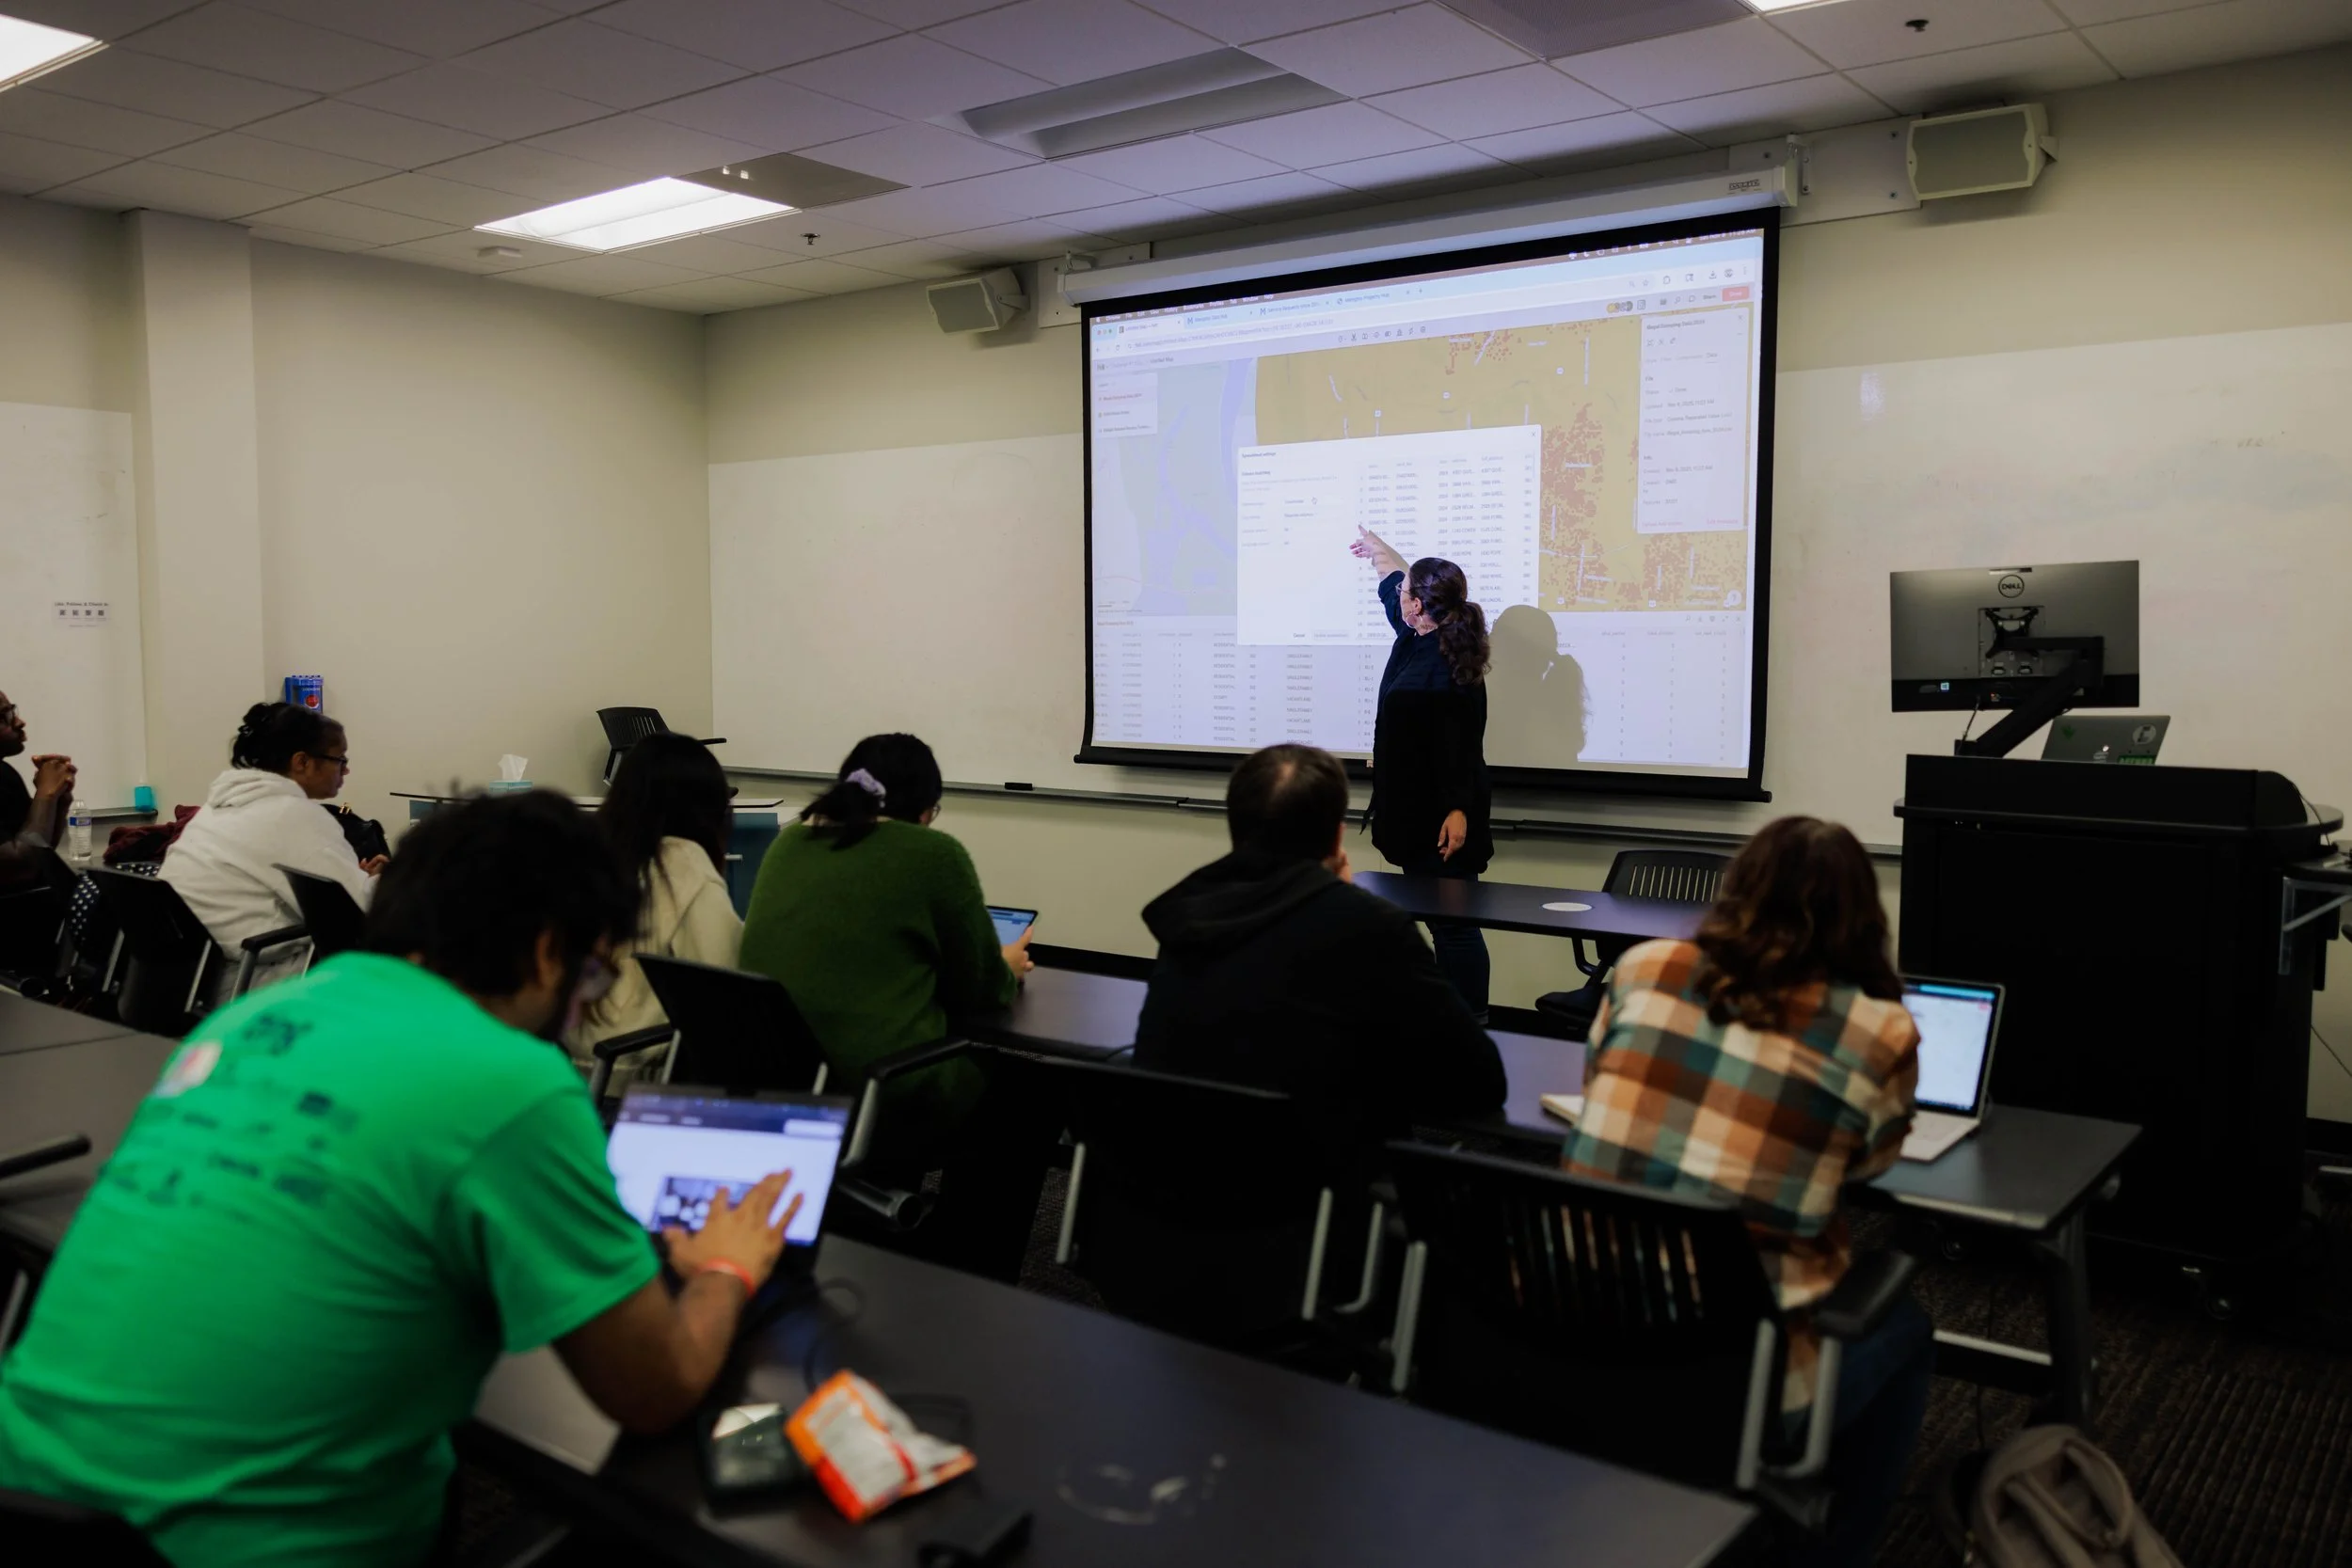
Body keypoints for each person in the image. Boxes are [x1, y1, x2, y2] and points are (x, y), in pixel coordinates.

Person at [0, 791, 803, 1568]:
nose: (577, 1014)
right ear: (548, 951)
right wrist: (724, 1267)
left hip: (32, 1509)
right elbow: (654, 1388)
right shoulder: (510, 1079)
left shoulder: (249, 1021)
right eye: (589, 981)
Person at [1561, 816, 1925, 1568]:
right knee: (1907, 1328)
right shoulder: (1879, 1029)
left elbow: (1596, 1081)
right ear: (1863, 916)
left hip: (1568, 1340)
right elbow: (1867, 1163)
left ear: (1736, 889)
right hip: (1731, 1384)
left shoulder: (1643, 966)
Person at [738, 734, 1037, 1277]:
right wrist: (1008, 964)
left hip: (778, 1078)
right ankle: (968, 1272)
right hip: (876, 1086)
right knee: (1024, 1092)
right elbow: (982, 988)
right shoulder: (932, 855)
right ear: (924, 810)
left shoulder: (789, 843)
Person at [1136, 743, 1504, 1132]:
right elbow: (1481, 1079)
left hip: (1172, 1158)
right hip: (1320, 1164)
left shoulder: (1189, 913)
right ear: (1337, 837)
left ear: (1236, 827)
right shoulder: (1374, 926)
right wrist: (1342, 897)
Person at [1348, 529, 1494, 1019]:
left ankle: (1471, 1022)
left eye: (1405, 592)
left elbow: (1459, 746)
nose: (1398, 596)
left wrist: (1457, 810)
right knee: (1439, 919)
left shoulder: (1447, 663)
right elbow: (1394, 578)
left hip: (1442, 816)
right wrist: (1377, 549)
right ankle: (1447, 1019)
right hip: (1413, 810)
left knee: (1454, 925)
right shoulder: (1417, 635)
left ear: (1416, 606)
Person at [564, 732, 743, 1089]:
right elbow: (727, 993)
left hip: (573, 1071)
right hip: (640, 1083)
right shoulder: (687, 869)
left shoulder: (592, 860)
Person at [159, 702, 380, 991]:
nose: (346, 770)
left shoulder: (218, 807)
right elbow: (361, 912)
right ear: (302, 762)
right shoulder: (293, 815)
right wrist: (397, 880)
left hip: (186, 983)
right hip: (253, 985)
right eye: (340, 759)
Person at [0, 689, 74, 851]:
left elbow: (44, 851)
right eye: (4, 716)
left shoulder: (5, 774)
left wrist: (59, 799)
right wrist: (46, 793)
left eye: (12, 711)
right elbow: (21, 861)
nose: (19, 722)